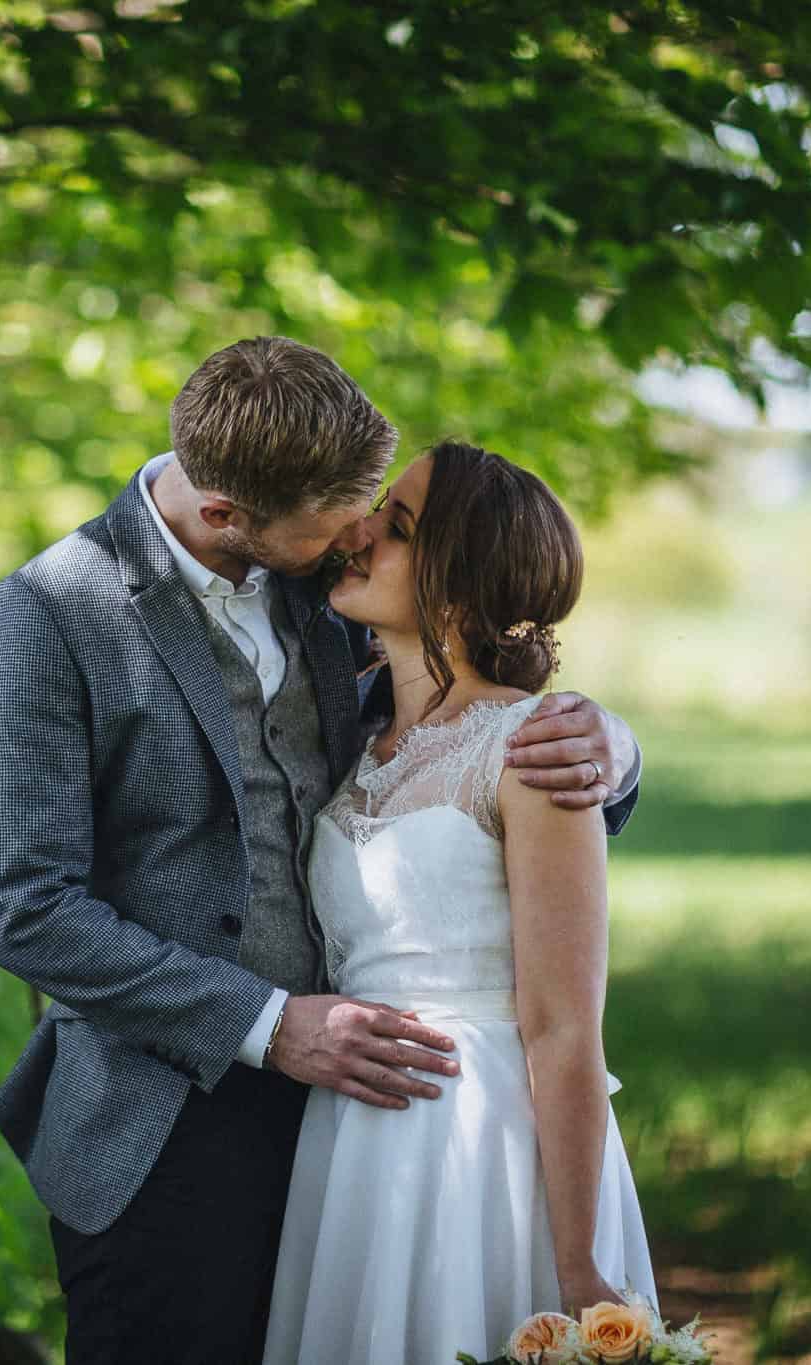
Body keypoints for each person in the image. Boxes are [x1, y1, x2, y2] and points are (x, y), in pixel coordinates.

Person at [0, 337, 644, 1364]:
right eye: (340, 525)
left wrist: (610, 744)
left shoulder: (321, 584)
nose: (359, 537)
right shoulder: (54, 610)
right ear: (226, 515)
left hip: (365, 1133)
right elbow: (26, 908)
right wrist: (268, 1026)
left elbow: (453, 732)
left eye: (375, 517)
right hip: (162, 1120)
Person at [261, 440, 659, 1363]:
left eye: (394, 526)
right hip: (353, 1138)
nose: (356, 535)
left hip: (482, 1142)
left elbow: (564, 1027)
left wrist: (577, 1266)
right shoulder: (356, 741)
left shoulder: (532, 749)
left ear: (456, 583)